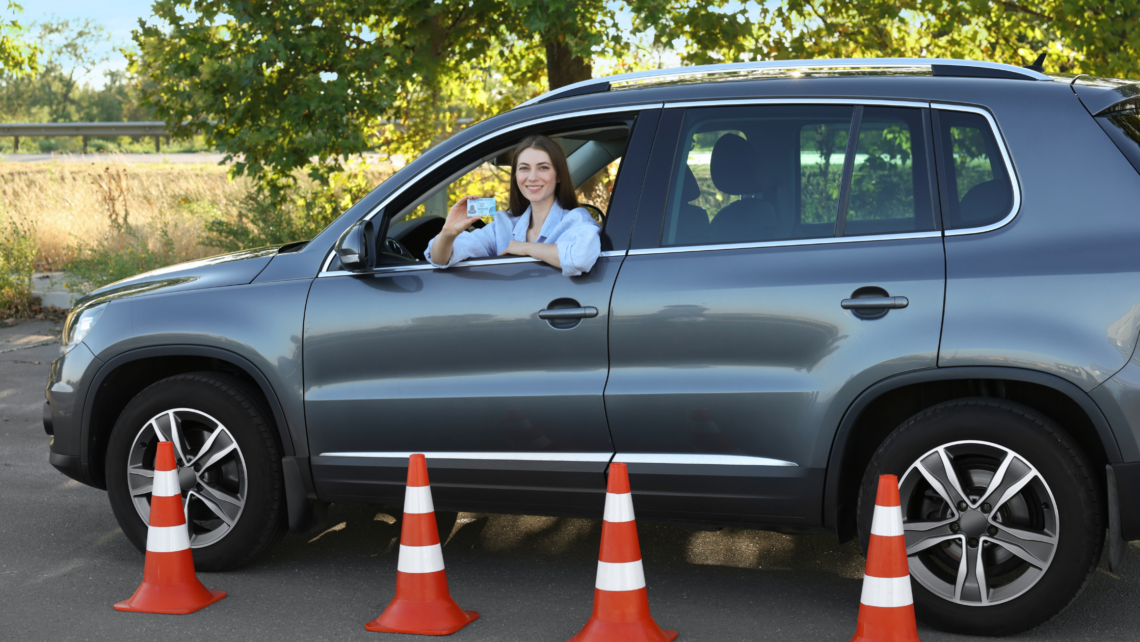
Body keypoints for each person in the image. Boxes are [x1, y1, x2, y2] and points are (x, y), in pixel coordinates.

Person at [426, 134, 601, 277]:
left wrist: (525, 248)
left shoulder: (576, 220)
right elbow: (441, 258)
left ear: (559, 175)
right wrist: (448, 233)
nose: (532, 177)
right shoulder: (503, 226)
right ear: (516, 176)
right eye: (524, 168)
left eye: (543, 168)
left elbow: (580, 257)